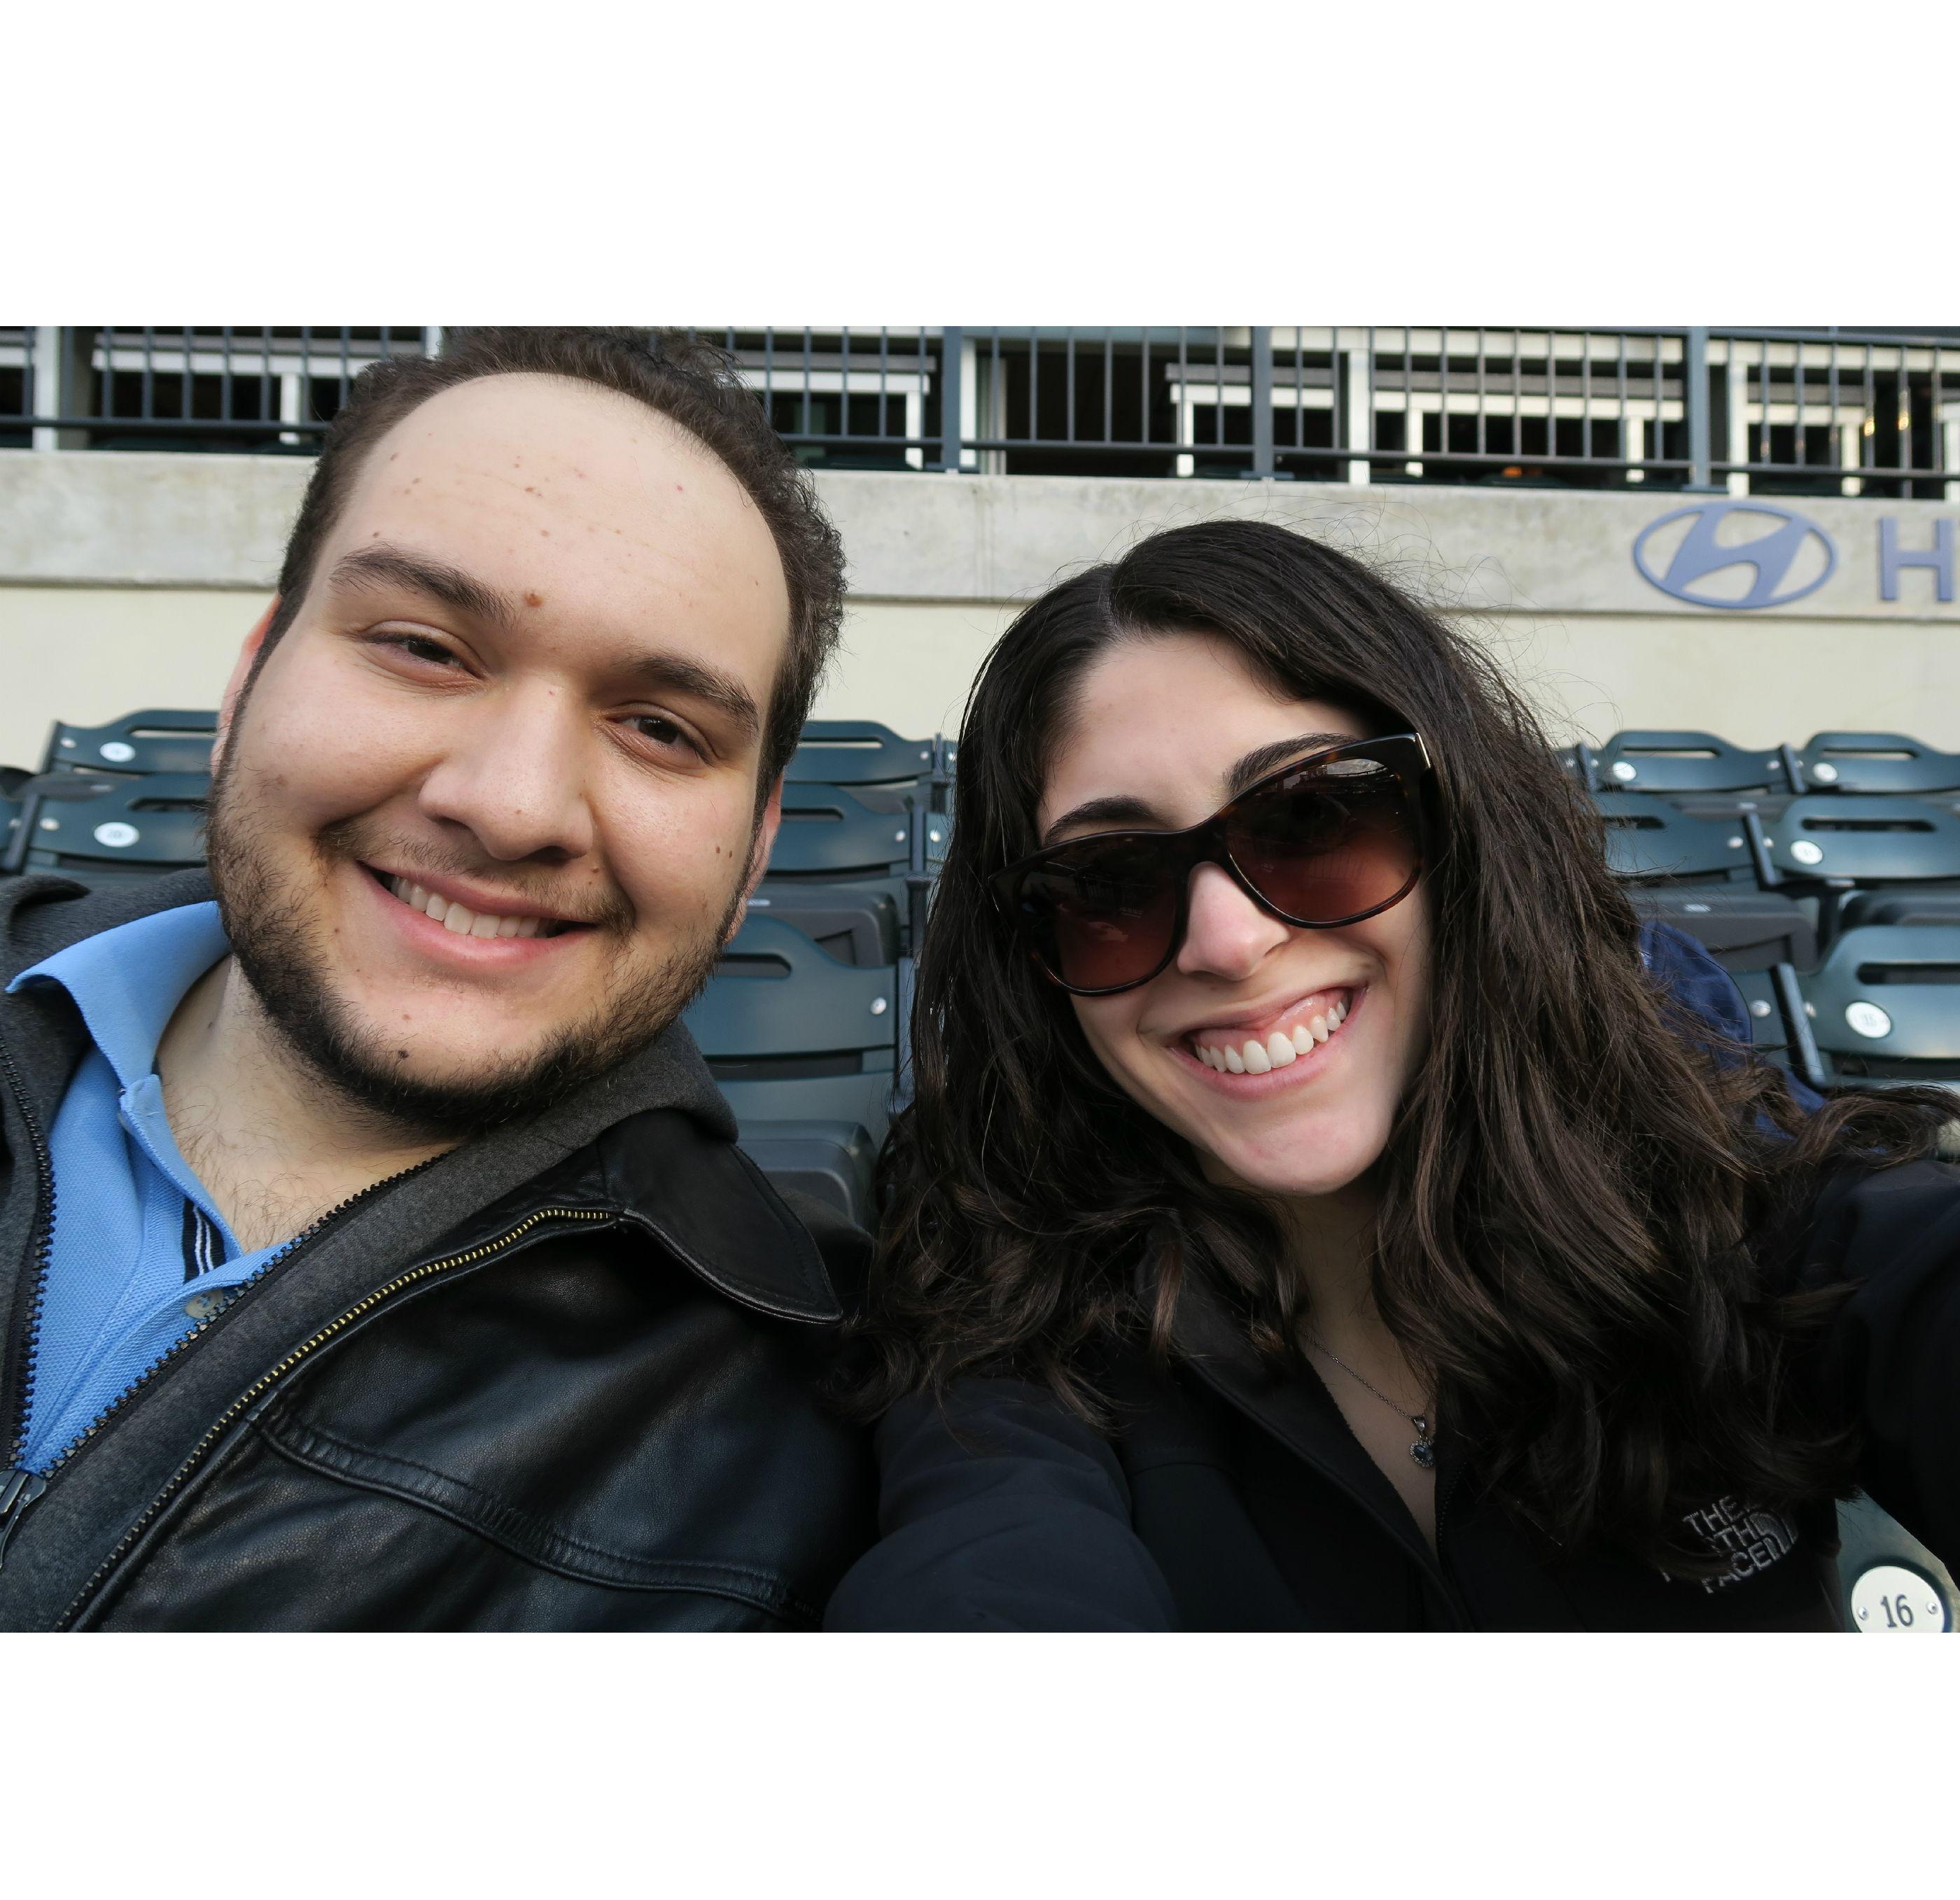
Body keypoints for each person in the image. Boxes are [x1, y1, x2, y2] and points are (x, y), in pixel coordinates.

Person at [828, 519, 1959, 1631]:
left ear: (1463, 836)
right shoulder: (1004, 1273)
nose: (1226, 943)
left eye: (1312, 817)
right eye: (1110, 881)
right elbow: (988, 1558)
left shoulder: (1714, 1176)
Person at [0, 327, 874, 1630]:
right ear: (248, 685)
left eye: (658, 727)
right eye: (424, 646)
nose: (514, 806)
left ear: (753, 849)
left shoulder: (829, 1436)